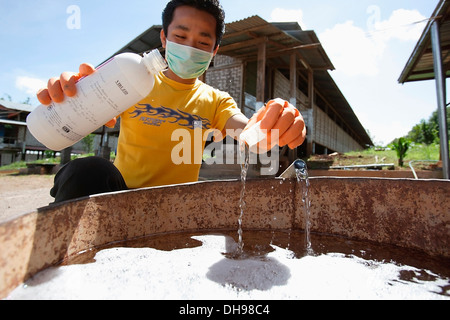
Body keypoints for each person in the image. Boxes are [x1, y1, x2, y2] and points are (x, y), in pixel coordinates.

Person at [37, 0, 306, 203]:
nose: (190, 49)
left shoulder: (215, 100)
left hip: (174, 207)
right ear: (164, 38)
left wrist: (273, 122)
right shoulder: (131, 82)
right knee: (87, 169)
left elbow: (247, 132)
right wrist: (70, 97)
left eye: (202, 42)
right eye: (180, 36)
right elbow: (83, 110)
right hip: (118, 197)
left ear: (214, 51)